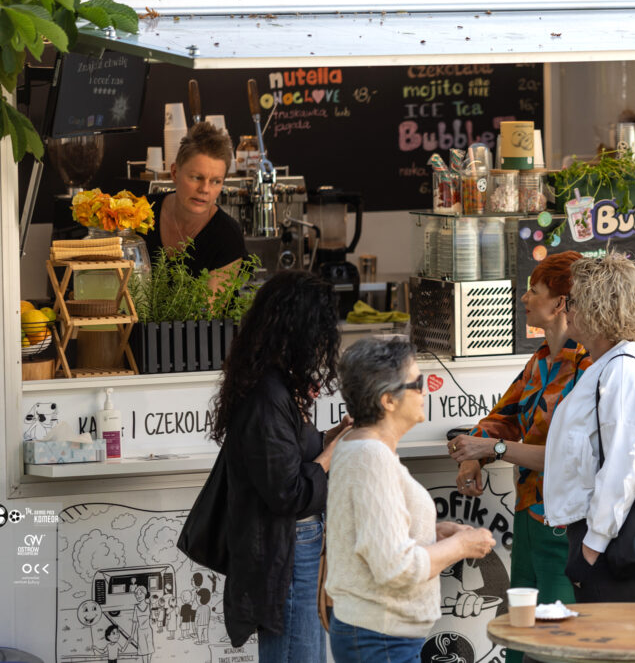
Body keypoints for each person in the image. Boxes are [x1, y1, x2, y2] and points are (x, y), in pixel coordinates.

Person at [447, 251, 590, 663]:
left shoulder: (589, 365)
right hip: (528, 514)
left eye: (534, 290)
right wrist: (473, 456)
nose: (524, 298)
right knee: (521, 633)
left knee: (559, 638)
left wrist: (489, 449)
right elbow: (503, 418)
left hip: (566, 521)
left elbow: (571, 457)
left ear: (560, 303)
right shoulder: (540, 360)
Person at [326, 338, 496, 663]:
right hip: (382, 636)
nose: (425, 391)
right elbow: (396, 568)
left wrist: (432, 531)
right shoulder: (372, 457)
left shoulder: (361, 447)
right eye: (417, 384)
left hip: (377, 632)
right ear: (388, 400)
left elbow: (373, 536)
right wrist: (461, 546)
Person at [211, 269, 350, 660]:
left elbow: (288, 453)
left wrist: (332, 436)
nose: (324, 341)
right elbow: (289, 493)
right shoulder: (267, 397)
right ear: (300, 329)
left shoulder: (273, 385)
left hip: (295, 543)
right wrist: (334, 452)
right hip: (288, 547)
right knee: (298, 653)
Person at [543, 253, 635, 603]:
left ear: (595, 309)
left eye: (571, 301)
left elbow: (626, 463)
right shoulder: (611, 365)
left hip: (610, 543)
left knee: (612, 636)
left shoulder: (622, 369)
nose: (565, 310)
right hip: (605, 537)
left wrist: (592, 547)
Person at [142, 120, 246, 283]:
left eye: (216, 181)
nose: (205, 189)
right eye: (197, 177)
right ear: (174, 173)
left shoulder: (227, 236)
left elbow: (212, 300)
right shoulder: (142, 211)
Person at [129, 585, 155, 663]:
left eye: (140, 593)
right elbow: (134, 622)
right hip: (140, 631)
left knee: (150, 649)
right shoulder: (136, 607)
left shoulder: (149, 605)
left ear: (145, 594)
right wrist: (132, 635)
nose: (138, 595)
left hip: (148, 630)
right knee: (143, 650)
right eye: (137, 594)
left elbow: (152, 618)